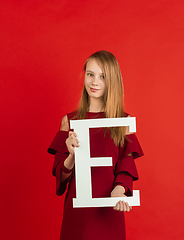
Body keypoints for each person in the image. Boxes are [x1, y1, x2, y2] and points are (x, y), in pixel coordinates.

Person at [47, 50, 144, 240]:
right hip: (78, 215)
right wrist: (72, 156)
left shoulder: (123, 122)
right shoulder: (69, 121)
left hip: (109, 210)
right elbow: (61, 177)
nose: (94, 82)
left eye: (102, 76)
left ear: (112, 80)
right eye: (90, 74)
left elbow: (126, 164)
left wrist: (119, 190)